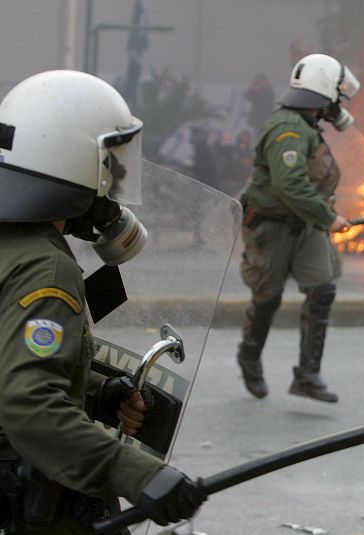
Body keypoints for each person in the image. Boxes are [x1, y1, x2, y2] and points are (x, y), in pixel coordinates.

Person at [0, 70, 205, 533]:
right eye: (111, 162)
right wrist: (143, 476)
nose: (118, 180)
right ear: (71, 162)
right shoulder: (43, 268)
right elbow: (28, 405)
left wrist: (96, 390)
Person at [236, 54, 360, 403]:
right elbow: (289, 184)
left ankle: (307, 375)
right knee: (267, 298)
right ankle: (249, 357)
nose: (339, 103)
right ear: (323, 90)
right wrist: (329, 218)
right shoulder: (287, 127)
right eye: (336, 94)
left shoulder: (307, 126)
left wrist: (322, 216)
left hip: (305, 227)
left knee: (322, 291)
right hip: (271, 227)